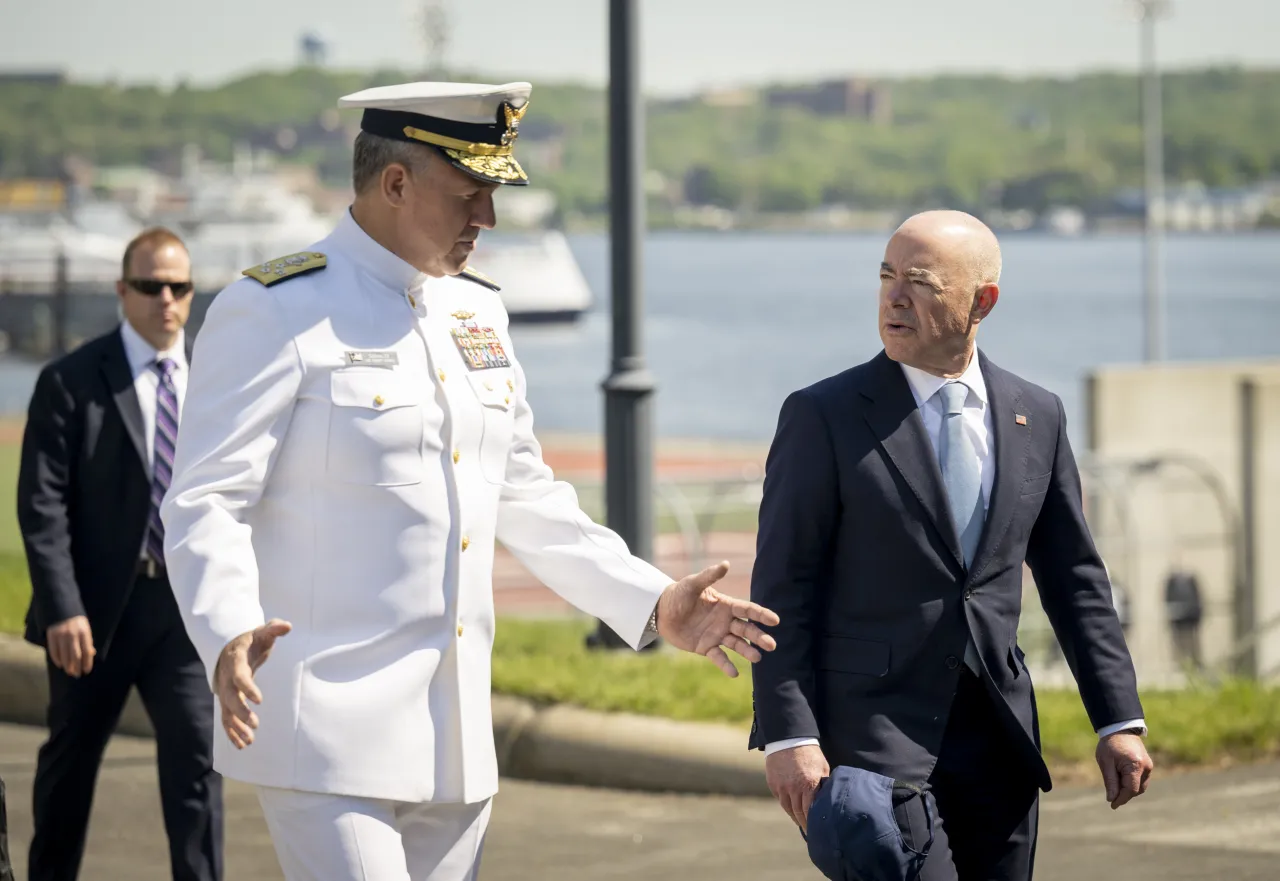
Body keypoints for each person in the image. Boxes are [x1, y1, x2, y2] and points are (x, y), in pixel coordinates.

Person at [159, 80, 778, 881]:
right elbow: (206, 498)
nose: (486, 218)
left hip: (453, 742)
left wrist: (653, 601)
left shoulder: (476, 312)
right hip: (325, 732)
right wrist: (227, 627)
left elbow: (525, 496)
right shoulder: (275, 309)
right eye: (470, 193)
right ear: (394, 183)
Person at [748, 210, 1154, 881]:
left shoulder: (1037, 413)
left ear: (981, 301)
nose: (893, 298)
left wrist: (1118, 719)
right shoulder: (823, 415)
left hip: (1000, 739)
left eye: (920, 282)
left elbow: (1074, 579)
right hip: (873, 741)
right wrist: (790, 734)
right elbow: (783, 588)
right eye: (885, 277)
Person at [16, 228, 222, 881]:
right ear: (122, 290)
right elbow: (41, 505)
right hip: (94, 614)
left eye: (179, 287)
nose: (166, 299)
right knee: (69, 775)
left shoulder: (218, 386)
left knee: (198, 771)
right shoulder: (70, 381)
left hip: (184, 614)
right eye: (150, 286)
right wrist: (62, 608)